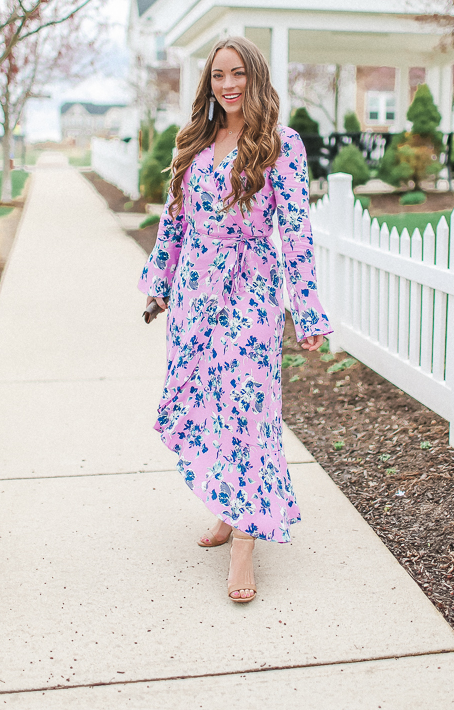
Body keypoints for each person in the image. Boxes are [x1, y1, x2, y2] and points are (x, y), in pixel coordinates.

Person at [139, 36, 332, 603]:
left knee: (246, 404)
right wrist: (159, 283)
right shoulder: (193, 141)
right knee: (205, 400)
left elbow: (296, 231)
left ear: (256, 78)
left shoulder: (280, 143)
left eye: (238, 73)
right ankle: (226, 506)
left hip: (250, 288)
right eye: (219, 74)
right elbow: (174, 221)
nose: (228, 84)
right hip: (196, 292)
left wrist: (308, 308)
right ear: (208, 82)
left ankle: (246, 541)